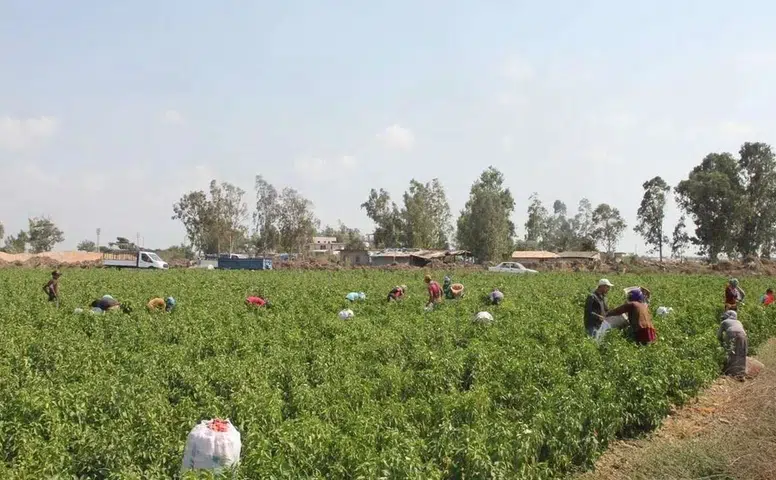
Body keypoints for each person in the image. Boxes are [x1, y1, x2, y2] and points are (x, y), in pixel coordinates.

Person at [718, 310, 748, 377]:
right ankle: (741, 373)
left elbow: (719, 335)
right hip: (742, 334)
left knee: (730, 351)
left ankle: (730, 372)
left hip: (730, 332)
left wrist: (721, 343)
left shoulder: (724, 322)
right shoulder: (738, 322)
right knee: (741, 352)